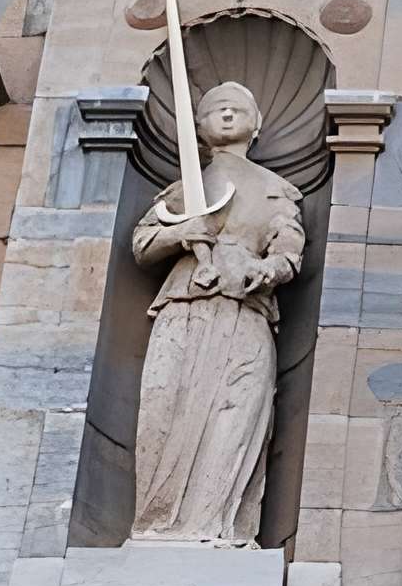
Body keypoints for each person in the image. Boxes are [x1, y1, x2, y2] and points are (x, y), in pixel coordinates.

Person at [129, 80, 303, 545]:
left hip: (244, 313)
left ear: (256, 125)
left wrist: (262, 270)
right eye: (215, 109)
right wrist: (182, 231)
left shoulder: (275, 192)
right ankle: (159, 522)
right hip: (182, 307)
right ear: (200, 127)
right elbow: (143, 244)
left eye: (237, 109)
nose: (226, 115)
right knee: (167, 410)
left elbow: (288, 254)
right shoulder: (183, 188)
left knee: (234, 418)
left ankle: (215, 526)